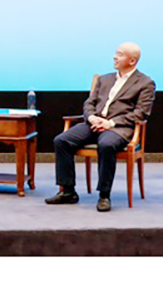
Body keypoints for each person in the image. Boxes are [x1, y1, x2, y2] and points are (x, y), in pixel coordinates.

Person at [46, 42, 156, 212]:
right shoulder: (104, 79)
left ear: (132, 61)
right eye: (116, 53)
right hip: (94, 123)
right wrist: (91, 117)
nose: (115, 57)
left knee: (106, 145)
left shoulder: (145, 83)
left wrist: (110, 123)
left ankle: (104, 195)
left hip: (118, 127)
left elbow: (141, 113)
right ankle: (68, 191)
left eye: (120, 54)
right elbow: (89, 103)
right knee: (61, 140)